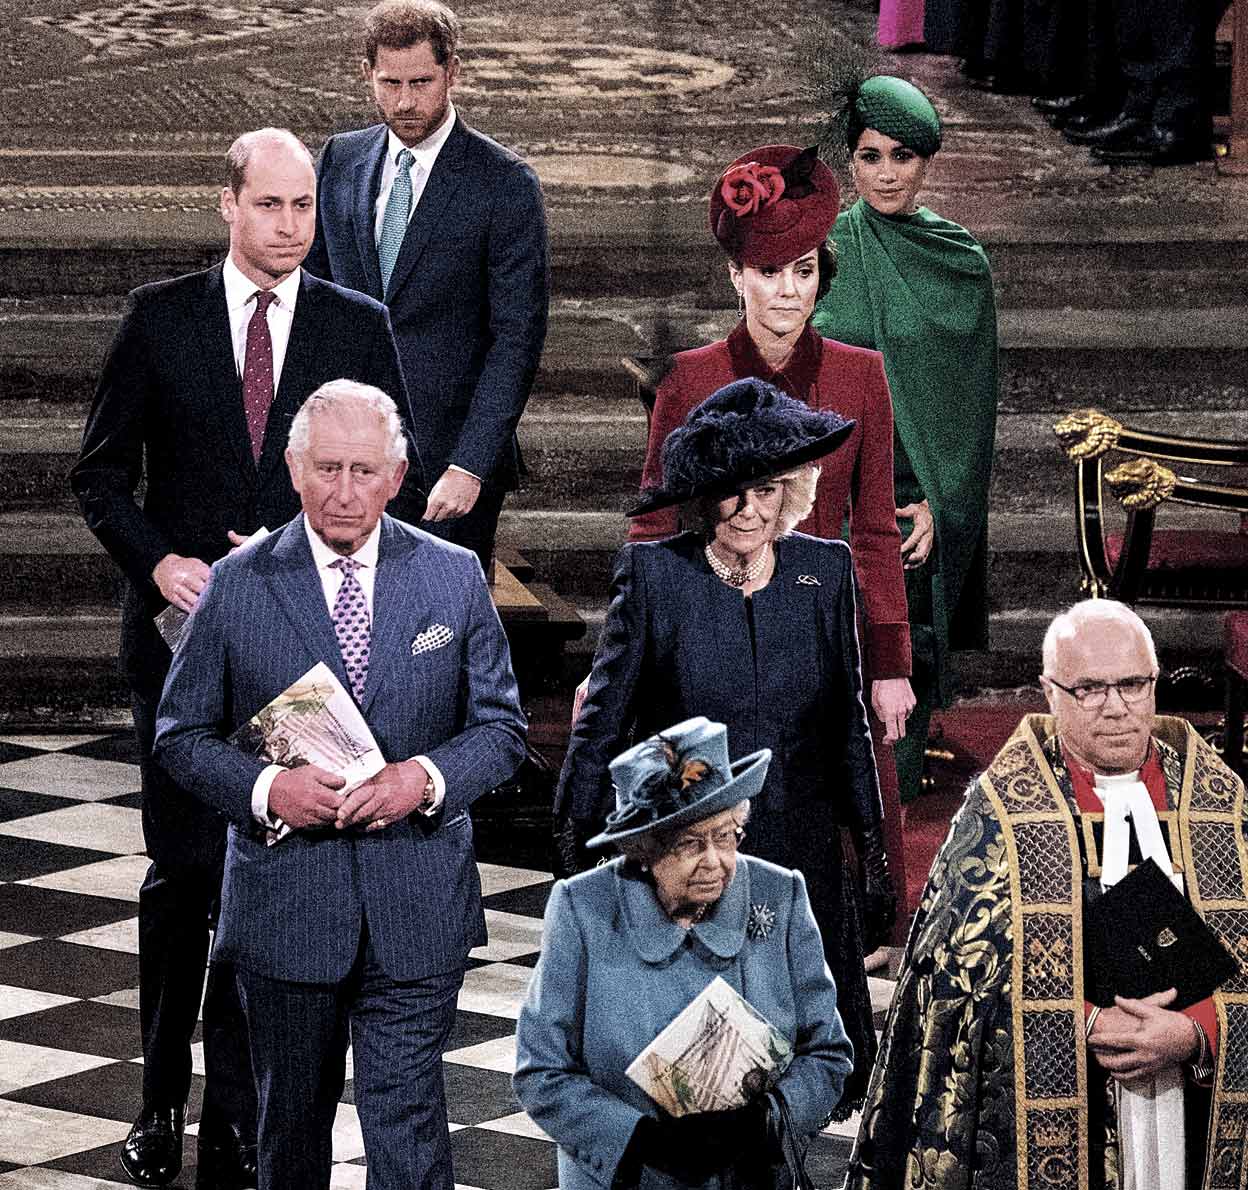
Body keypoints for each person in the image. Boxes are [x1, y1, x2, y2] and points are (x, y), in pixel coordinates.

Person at [70, 127, 424, 1189]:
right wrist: (163, 563)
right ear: (228, 205)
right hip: (180, 645)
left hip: (302, 655)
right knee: (183, 874)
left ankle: (235, 1112)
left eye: (303, 205)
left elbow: (391, 475)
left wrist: (305, 546)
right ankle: (158, 1101)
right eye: (269, 205)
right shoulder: (160, 317)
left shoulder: (356, 324)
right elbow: (98, 476)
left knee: (267, 882)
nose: (289, 225)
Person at [153, 380, 527, 1190]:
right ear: (295, 469)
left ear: (398, 477)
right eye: (327, 469)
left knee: (410, 1124)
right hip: (287, 904)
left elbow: (501, 731)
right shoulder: (239, 583)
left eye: (364, 471)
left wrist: (422, 778)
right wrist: (266, 791)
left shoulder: (453, 576)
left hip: (417, 901)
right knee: (290, 1132)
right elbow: (179, 736)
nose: (345, 492)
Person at [557, 378, 894, 1118]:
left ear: (792, 493)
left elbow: (847, 723)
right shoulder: (657, 576)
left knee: (799, 1078)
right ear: (703, 496)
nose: (748, 510)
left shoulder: (824, 572)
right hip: (692, 860)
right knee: (694, 1084)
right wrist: (576, 839)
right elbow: (603, 722)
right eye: (730, 492)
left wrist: (872, 850)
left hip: (800, 856)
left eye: (766, 491)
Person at [846, 599, 1248, 1190]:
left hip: (1196, 1103)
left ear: (1155, 683)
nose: (1116, 707)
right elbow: (953, 987)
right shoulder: (1001, 814)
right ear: (1049, 692)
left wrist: (1198, 1033)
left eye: (1132, 685)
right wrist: (1082, 1024)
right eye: (1089, 689)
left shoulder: (1221, 805)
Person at [628, 142, 914, 921]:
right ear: (736, 275)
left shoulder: (861, 375)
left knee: (829, 855)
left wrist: (890, 661)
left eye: (804, 271)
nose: (788, 290)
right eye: (768, 271)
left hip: (824, 635)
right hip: (711, 633)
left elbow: (876, 530)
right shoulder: (691, 378)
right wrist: (635, 652)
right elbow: (652, 527)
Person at [517, 716, 853, 1190]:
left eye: (726, 836)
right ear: (644, 850)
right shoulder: (582, 909)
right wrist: (640, 1141)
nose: (714, 861)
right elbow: (541, 1071)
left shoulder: (780, 895)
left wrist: (764, 1123)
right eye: (691, 843)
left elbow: (828, 1054)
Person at [306, 0, 549, 571]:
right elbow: (312, 304)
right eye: (390, 84)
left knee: (435, 622)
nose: (405, 102)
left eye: (421, 82)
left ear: (452, 72)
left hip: (449, 468)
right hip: (346, 457)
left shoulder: (506, 183)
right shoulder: (339, 159)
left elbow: (517, 340)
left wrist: (471, 465)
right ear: (367, 74)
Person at [812, 75, 998, 808]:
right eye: (870, 156)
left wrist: (936, 506)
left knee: (902, 645)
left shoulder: (960, 260)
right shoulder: (821, 250)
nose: (886, 174)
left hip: (909, 499)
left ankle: (893, 794)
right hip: (824, 484)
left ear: (927, 163)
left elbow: (968, 410)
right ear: (849, 161)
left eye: (903, 156)